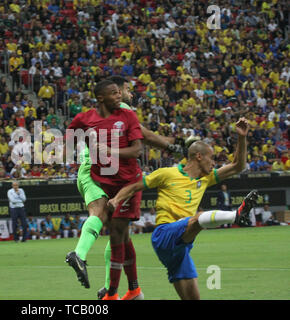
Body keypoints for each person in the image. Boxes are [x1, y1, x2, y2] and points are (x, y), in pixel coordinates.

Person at [108, 118, 259, 300]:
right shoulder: (166, 173)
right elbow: (133, 186)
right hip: (164, 234)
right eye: (211, 159)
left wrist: (242, 138)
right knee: (198, 219)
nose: (213, 164)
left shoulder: (206, 178)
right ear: (199, 156)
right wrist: (116, 199)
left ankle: (234, 216)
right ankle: (236, 215)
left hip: (182, 246)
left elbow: (238, 166)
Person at [65, 76, 182, 300]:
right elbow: (145, 136)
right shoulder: (121, 110)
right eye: (126, 89)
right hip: (99, 171)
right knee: (103, 216)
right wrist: (172, 146)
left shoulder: (106, 112)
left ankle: (119, 290)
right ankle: (84, 260)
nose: (129, 94)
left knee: (120, 234)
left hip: (101, 169)